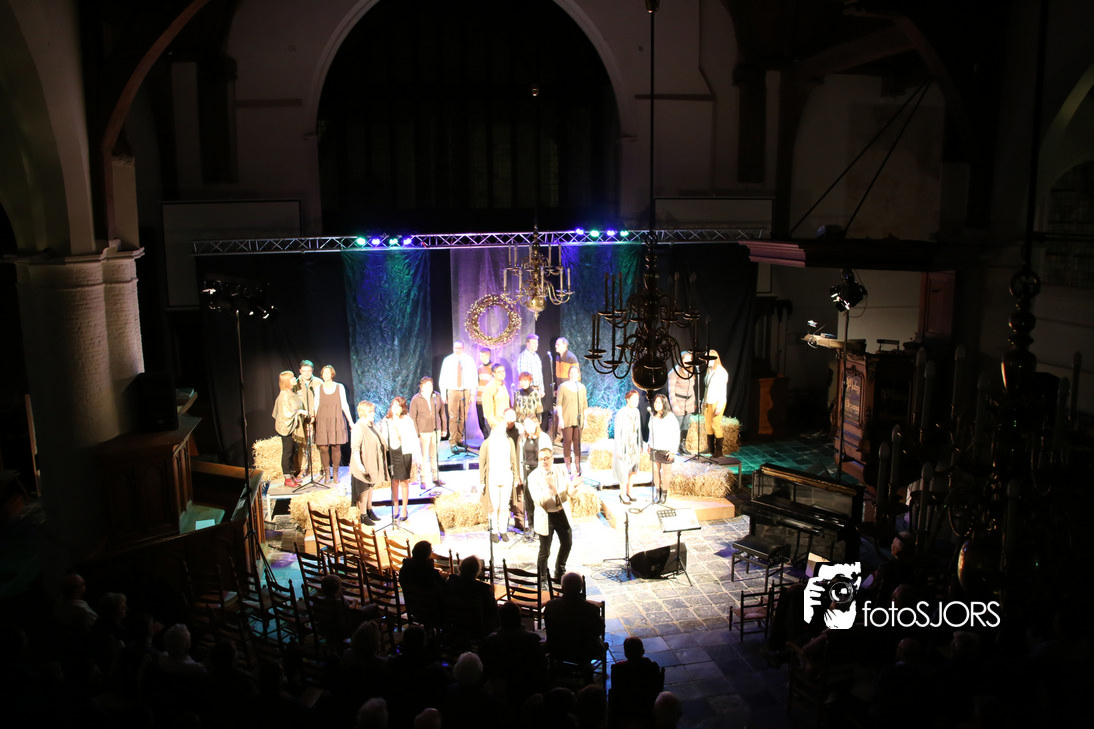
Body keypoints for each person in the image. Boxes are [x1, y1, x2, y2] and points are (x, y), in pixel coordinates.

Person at [528, 447, 580, 581]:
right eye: (541, 459)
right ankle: (542, 578)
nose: (544, 462)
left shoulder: (560, 470)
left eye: (546, 458)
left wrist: (574, 487)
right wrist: (551, 490)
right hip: (547, 516)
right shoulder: (533, 477)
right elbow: (539, 500)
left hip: (561, 513)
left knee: (567, 544)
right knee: (545, 551)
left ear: (552, 458)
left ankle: (560, 571)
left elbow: (568, 492)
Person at [543, 572, 604, 668]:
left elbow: (549, 628)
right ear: (581, 588)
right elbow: (599, 630)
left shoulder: (551, 606)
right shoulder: (591, 609)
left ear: (562, 588)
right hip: (583, 653)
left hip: (557, 649)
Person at [380, 396, 423, 522]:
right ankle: (396, 508)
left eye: (399, 406)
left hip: (404, 453)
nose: (396, 408)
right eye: (394, 405)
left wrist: (419, 457)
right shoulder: (386, 421)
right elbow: (383, 439)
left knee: (404, 481)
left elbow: (414, 438)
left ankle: (404, 508)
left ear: (402, 408)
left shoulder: (407, 421)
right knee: (394, 482)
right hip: (392, 453)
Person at [609, 637, 663, 729]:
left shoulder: (618, 669)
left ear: (626, 653)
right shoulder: (652, 667)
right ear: (643, 651)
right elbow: (658, 689)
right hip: (647, 709)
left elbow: (615, 693)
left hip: (626, 710)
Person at [314, 364, 354, 483]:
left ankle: (335, 473)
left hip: (336, 419)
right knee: (323, 447)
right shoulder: (318, 388)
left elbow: (344, 405)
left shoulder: (339, 387)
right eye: (324, 373)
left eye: (328, 372)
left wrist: (350, 421)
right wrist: (312, 421)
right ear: (321, 375)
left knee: (336, 446)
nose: (326, 375)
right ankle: (327, 473)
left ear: (332, 374)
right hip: (323, 420)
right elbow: (315, 406)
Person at [478, 424, 519, 541]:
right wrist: (482, 481)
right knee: (494, 506)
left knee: (504, 506)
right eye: (500, 426)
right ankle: (494, 530)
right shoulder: (487, 443)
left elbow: (513, 460)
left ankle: (503, 530)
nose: (503, 428)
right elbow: (482, 463)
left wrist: (516, 477)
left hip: (506, 477)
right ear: (494, 428)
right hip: (493, 477)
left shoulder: (509, 441)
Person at [349, 400, 386, 526]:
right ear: (363, 413)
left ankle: (369, 510)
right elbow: (355, 448)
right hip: (362, 463)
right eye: (370, 412)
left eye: (373, 411)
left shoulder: (371, 425)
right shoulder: (359, 427)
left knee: (370, 487)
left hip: (371, 462)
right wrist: (360, 465)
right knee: (364, 489)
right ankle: (363, 514)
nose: (373, 414)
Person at [409, 376, 447, 489]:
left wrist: (444, 428)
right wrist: (416, 433)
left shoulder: (436, 396)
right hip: (423, 431)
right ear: (421, 387)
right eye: (427, 386)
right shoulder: (416, 399)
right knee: (423, 456)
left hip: (436, 429)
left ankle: (436, 477)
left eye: (431, 386)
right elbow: (413, 418)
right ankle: (423, 479)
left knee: (434, 455)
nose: (429, 388)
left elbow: (442, 413)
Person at [517, 417, 552, 539]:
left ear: (536, 424)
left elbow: (548, 457)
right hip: (526, 471)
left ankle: (541, 527)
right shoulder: (522, 438)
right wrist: (520, 475)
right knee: (528, 500)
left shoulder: (543, 437)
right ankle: (531, 525)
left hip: (538, 471)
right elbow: (519, 457)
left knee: (539, 500)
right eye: (525, 425)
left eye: (530, 425)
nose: (527, 427)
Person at [439, 341, 477, 452]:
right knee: (453, 417)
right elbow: (443, 378)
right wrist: (443, 394)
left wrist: (472, 393)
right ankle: (452, 441)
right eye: (456, 348)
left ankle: (459, 438)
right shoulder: (448, 360)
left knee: (463, 417)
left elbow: (474, 377)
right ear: (453, 348)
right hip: (453, 391)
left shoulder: (469, 360)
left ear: (463, 348)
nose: (457, 350)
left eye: (460, 348)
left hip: (465, 391)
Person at [273, 371, 307, 485]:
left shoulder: (291, 392)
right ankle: (287, 477)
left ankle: (292, 475)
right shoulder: (284, 395)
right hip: (286, 428)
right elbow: (285, 413)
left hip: (293, 426)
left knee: (292, 451)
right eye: (292, 378)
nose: (294, 379)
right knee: (287, 452)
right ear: (287, 382)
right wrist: (299, 412)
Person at [646, 393, 679, 504]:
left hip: (666, 449)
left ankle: (664, 493)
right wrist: (649, 445)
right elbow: (651, 433)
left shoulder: (670, 417)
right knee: (655, 471)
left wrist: (673, 451)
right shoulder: (653, 417)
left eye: (659, 402)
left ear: (664, 404)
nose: (656, 404)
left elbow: (676, 434)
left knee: (666, 471)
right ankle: (657, 492)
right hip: (655, 448)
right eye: (655, 402)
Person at [556, 364, 588, 477]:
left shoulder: (582, 388)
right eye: (571, 373)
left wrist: (585, 419)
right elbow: (559, 404)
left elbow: (584, 405)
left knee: (577, 442)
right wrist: (561, 419)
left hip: (578, 419)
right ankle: (568, 465)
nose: (573, 375)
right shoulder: (563, 387)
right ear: (568, 374)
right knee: (567, 442)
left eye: (575, 373)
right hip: (567, 418)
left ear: (578, 374)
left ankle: (578, 465)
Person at [613, 389, 642, 504]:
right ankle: (623, 494)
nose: (636, 401)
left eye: (637, 399)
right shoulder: (621, 413)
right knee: (623, 470)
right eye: (633, 399)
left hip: (634, 445)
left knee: (633, 469)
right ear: (628, 399)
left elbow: (639, 430)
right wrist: (619, 448)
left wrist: (640, 445)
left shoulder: (637, 412)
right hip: (624, 445)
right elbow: (617, 432)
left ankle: (630, 491)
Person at [294, 359, 321, 475]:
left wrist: (314, 416)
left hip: (317, 418)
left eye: (309, 371)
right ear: (300, 371)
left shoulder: (318, 382)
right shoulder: (296, 384)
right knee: (303, 445)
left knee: (320, 443)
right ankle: (303, 469)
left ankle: (321, 467)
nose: (306, 373)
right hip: (302, 419)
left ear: (312, 370)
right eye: (304, 371)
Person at [550, 337, 581, 439]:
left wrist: (576, 390)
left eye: (558, 344)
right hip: (561, 389)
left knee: (568, 413)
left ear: (565, 345)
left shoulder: (571, 358)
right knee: (561, 413)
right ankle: (561, 435)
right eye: (556, 344)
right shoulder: (558, 357)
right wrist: (557, 388)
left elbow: (577, 376)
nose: (556, 346)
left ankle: (568, 436)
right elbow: (558, 376)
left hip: (570, 390)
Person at [667, 351, 697, 452]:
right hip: (679, 402)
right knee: (677, 425)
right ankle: (674, 446)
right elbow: (671, 391)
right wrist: (674, 405)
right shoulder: (674, 372)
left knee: (685, 425)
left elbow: (692, 388)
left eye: (689, 360)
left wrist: (694, 402)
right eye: (685, 360)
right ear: (681, 360)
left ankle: (682, 445)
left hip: (688, 402)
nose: (687, 362)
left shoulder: (691, 371)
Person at [702, 349, 728, 456]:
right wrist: (703, 401)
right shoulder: (709, 371)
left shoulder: (721, 372)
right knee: (708, 425)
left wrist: (719, 406)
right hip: (708, 401)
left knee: (715, 425)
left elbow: (723, 391)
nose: (706, 361)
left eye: (708, 359)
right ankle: (710, 448)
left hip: (717, 401)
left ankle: (719, 451)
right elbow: (707, 388)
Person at [481, 363, 510, 432]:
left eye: (503, 371)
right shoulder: (491, 386)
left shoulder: (502, 385)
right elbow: (487, 408)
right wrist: (494, 423)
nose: (502, 374)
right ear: (493, 373)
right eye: (499, 372)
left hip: (504, 421)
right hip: (496, 424)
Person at [517, 333, 545, 398]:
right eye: (534, 343)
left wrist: (541, 389)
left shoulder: (536, 356)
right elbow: (523, 377)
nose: (536, 345)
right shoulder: (523, 357)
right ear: (527, 343)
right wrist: (528, 391)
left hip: (537, 390)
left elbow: (540, 375)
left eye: (537, 343)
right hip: (528, 391)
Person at [475, 347, 495, 438]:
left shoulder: (493, 367)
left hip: (489, 399)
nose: (481, 358)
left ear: (488, 355)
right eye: (480, 356)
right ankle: (485, 440)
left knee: (489, 421)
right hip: (480, 399)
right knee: (481, 421)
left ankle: (490, 440)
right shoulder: (479, 368)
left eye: (482, 356)